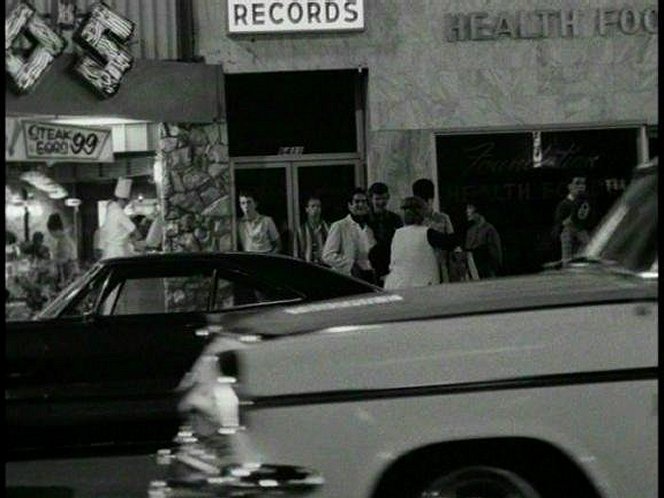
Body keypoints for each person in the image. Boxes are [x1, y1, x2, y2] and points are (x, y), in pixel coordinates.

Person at [384, 197, 459, 290]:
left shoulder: (396, 234)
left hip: (396, 284)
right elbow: (451, 243)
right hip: (421, 286)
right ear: (423, 213)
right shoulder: (427, 233)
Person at [322, 187, 376, 283]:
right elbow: (327, 255)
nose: (361, 205)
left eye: (364, 202)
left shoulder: (370, 229)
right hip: (347, 278)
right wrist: (350, 265)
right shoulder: (340, 226)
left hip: (369, 278)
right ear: (350, 205)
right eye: (357, 201)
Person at [412, 178, 456, 281]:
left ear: (430, 200)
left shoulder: (443, 218)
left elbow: (452, 242)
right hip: (421, 267)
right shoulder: (415, 220)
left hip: (441, 265)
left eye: (423, 203)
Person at [366, 182, 403, 286]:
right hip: (369, 268)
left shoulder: (395, 219)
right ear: (371, 199)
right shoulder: (364, 219)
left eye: (384, 198)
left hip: (391, 267)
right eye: (377, 199)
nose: (381, 202)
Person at [552, 176, 593, 263]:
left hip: (582, 230)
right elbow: (559, 222)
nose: (580, 186)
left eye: (583, 184)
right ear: (570, 186)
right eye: (577, 183)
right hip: (568, 231)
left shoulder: (586, 202)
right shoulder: (563, 204)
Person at [99, 178, 137, 258]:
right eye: (126, 202)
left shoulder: (111, 210)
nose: (126, 205)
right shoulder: (118, 212)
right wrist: (142, 242)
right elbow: (134, 230)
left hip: (110, 250)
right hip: (117, 252)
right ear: (121, 200)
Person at [464, 202, 502, 279]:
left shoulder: (489, 229)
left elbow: (496, 252)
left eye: (470, 208)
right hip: (474, 271)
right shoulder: (470, 231)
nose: (467, 211)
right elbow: (467, 251)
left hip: (487, 269)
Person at [46, 213, 78, 288]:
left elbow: (64, 259)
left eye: (50, 232)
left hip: (70, 271)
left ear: (55, 230)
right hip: (69, 269)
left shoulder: (63, 241)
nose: (51, 234)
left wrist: (51, 262)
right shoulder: (64, 238)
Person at [295, 195, 329, 265]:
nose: (316, 209)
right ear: (307, 209)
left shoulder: (328, 228)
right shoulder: (300, 231)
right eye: (313, 206)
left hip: (326, 268)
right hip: (307, 269)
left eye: (318, 206)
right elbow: (296, 255)